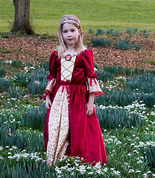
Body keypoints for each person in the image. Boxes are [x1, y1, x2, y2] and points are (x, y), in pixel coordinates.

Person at [43, 14, 107, 165]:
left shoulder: (84, 54)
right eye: (65, 31)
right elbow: (53, 76)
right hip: (58, 96)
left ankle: (79, 160)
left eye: (72, 30)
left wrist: (90, 102)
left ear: (79, 32)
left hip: (78, 96)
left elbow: (90, 77)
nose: (69, 34)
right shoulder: (57, 54)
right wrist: (47, 96)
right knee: (56, 125)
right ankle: (59, 157)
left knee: (77, 127)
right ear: (61, 34)